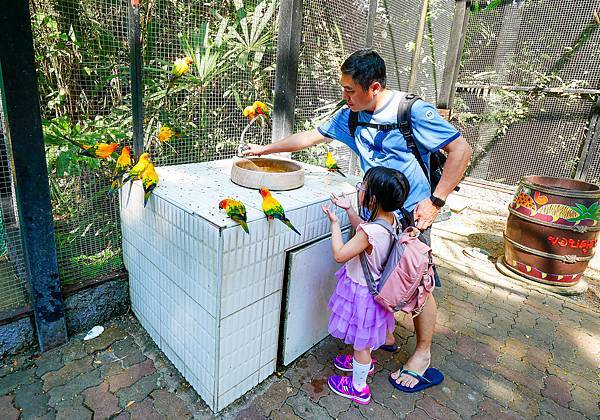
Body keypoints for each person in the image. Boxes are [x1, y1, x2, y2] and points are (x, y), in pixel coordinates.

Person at [243, 49, 472, 390]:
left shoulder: (412, 112)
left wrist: (436, 202)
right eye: (343, 88)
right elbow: (310, 137)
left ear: (374, 87)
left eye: (350, 90)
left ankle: (423, 353)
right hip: (374, 214)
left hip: (412, 215)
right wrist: (265, 150)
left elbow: (461, 151)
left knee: (415, 284)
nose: (344, 96)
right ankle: (386, 336)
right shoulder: (351, 114)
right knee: (378, 279)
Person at [321, 166, 409, 404]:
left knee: (362, 343)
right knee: (366, 338)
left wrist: (334, 224)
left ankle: (358, 388)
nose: (360, 188)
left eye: (363, 186)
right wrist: (350, 210)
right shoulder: (392, 220)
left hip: (362, 293)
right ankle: (363, 363)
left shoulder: (370, 231)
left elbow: (340, 254)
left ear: (373, 198)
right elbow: (367, 232)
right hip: (376, 291)